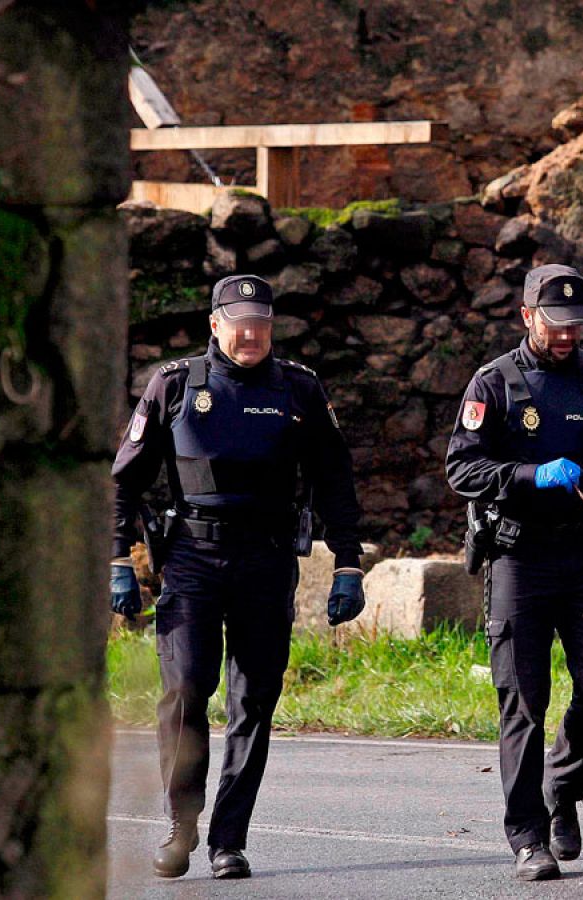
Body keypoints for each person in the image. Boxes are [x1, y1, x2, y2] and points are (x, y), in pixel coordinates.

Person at [110, 274, 367, 880]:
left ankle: (229, 838)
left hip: (267, 559)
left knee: (254, 702)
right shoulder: (175, 384)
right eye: (238, 321)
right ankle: (181, 824)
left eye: (261, 322)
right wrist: (118, 559)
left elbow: (336, 481)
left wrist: (349, 563)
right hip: (193, 560)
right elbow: (126, 479)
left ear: (271, 326)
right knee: (184, 693)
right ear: (215, 324)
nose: (250, 333)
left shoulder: (299, 388)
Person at [445, 264, 583, 882]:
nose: (566, 336)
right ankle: (527, 837)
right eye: (554, 324)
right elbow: (462, 470)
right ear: (526, 316)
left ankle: (562, 790)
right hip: (519, 559)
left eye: (576, 325)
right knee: (524, 700)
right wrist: (527, 476)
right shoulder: (494, 383)